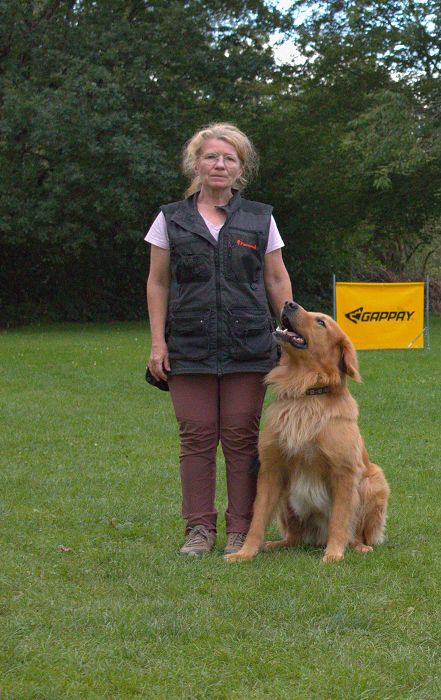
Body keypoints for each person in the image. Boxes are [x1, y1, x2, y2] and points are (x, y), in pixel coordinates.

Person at [145, 123, 293, 556]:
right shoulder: (170, 218)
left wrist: (289, 335)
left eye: (229, 158)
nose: (220, 164)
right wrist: (159, 343)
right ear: (197, 163)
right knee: (196, 437)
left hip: (248, 347)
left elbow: (276, 277)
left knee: (241, 439)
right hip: (188, 347)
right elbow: (157, 283)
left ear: (240, 168)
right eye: (211, 156)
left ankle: (240, 529)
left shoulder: (260, 218)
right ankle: (198, 530)